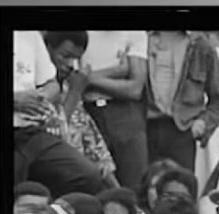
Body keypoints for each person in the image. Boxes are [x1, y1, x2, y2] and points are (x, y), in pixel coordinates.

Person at [13, 31, 104, 197]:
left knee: (87, 175)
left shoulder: (30, 35)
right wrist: (16, 99)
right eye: (65, 55)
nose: (71, 65)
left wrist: (41, 97)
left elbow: (50, 83)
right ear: (50, 49)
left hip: (32, 132)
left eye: (76, 59)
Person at [145, 31, 219, 171]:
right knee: (144, 186)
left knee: (180, 186)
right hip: (146, 127)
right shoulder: (142, 39)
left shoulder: (201, 46)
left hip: (182, 129)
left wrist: (201, 125)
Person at [79, 30, 150, 190]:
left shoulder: (135, 33)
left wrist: (88, 79)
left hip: (125, 113)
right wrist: (118, 71)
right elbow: (72, 82)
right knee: (94, 184)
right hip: (87, 113)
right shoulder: (81, 33)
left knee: (135, 185)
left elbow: (135, 88)